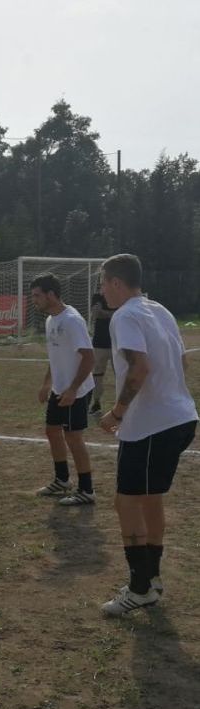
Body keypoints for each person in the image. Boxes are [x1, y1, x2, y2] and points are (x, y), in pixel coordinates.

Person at [98, 254, 198, 616]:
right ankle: (151, 579)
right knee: (150, 497)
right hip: (182, 417)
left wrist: (117, 413)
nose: (101, 291)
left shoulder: (124, 315)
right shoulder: (160, 309)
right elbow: (182, 361)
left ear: (116, 283)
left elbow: (139, 368)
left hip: (150, 425)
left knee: (126, 500)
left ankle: (139, 587)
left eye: (103, 283)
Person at [32, 273, 96, 506]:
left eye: (37, 295)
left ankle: (87, 490)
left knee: (73, 438)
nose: (34, 300)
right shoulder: (51, 320)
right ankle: (61, 480)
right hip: (60, 389)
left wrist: (73, 389)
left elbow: (89, 358)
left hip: (75, 391)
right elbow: (55, 356)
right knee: (52, 431)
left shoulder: (72, 320)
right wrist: (47, 382)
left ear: (51, 294)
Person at [89, 289, 116, 415]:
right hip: (99, 343)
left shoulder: (118, 295)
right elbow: (95, 314)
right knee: (97, 375)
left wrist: (103, 312)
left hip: (117, 343)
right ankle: (96, 403)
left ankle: (122, 406)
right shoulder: (97, 296)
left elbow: (118, 313)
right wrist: (110, 313)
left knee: (121, 375)